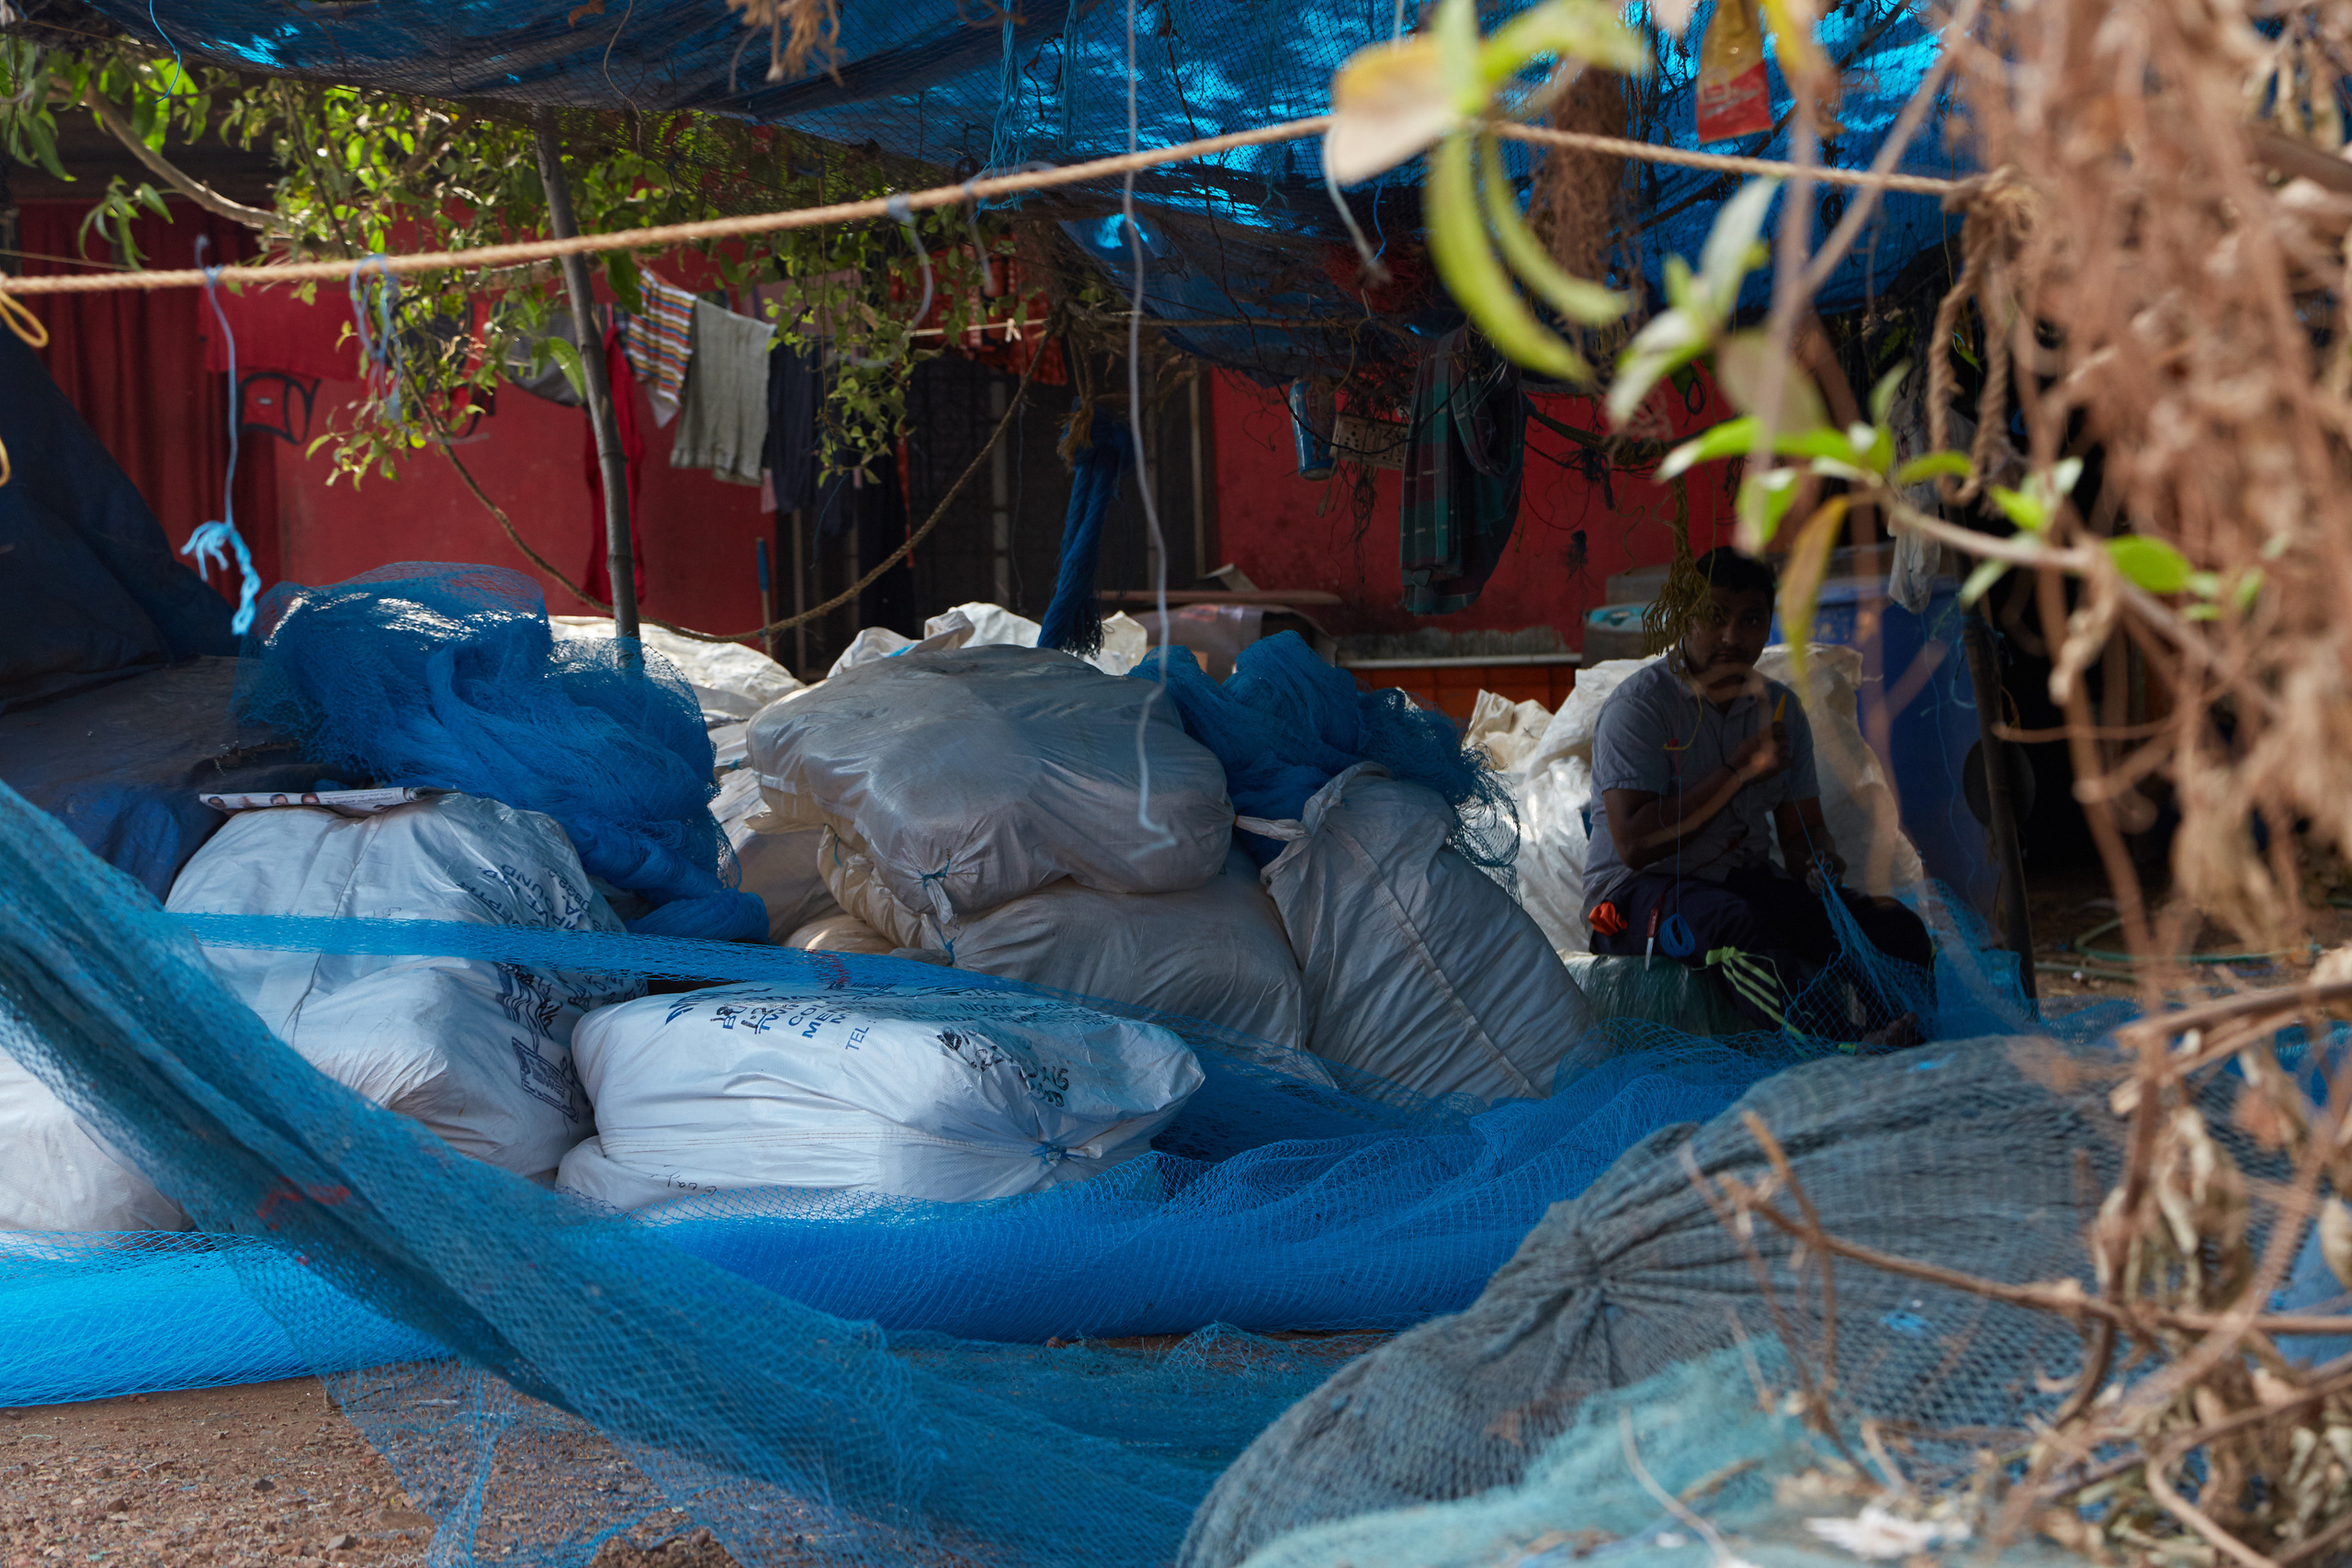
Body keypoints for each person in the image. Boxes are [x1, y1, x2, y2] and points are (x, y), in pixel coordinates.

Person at [1580, 547, 1932, 1045]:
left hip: (1737, 879)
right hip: (1637, 894)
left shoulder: (1781, 710)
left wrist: (1817, 862)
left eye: (1750, 620)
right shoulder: (1640, 707)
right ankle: (1832, 1049)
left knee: (1897, 930)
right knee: (1738, 930)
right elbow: (1636, 844)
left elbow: (1801, 833)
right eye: (1713, 617)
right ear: (1685, 615)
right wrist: (1737, 772)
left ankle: (1899, 1036)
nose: (1731, 636)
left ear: (1768, 626)